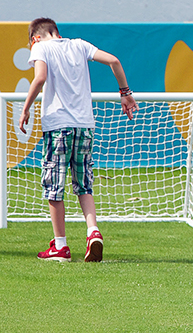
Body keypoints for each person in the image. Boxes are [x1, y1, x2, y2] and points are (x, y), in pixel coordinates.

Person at [19, 17, 138, 262]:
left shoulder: (41, 47)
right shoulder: (80, 45)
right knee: (84, 184)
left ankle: (60, 246)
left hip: (57, 125)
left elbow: (40, 77)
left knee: (54, 186)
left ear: (35, 38)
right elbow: (114, 60)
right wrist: (125, 93)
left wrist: (26, 108)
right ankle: (92, 230)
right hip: (84, 125)